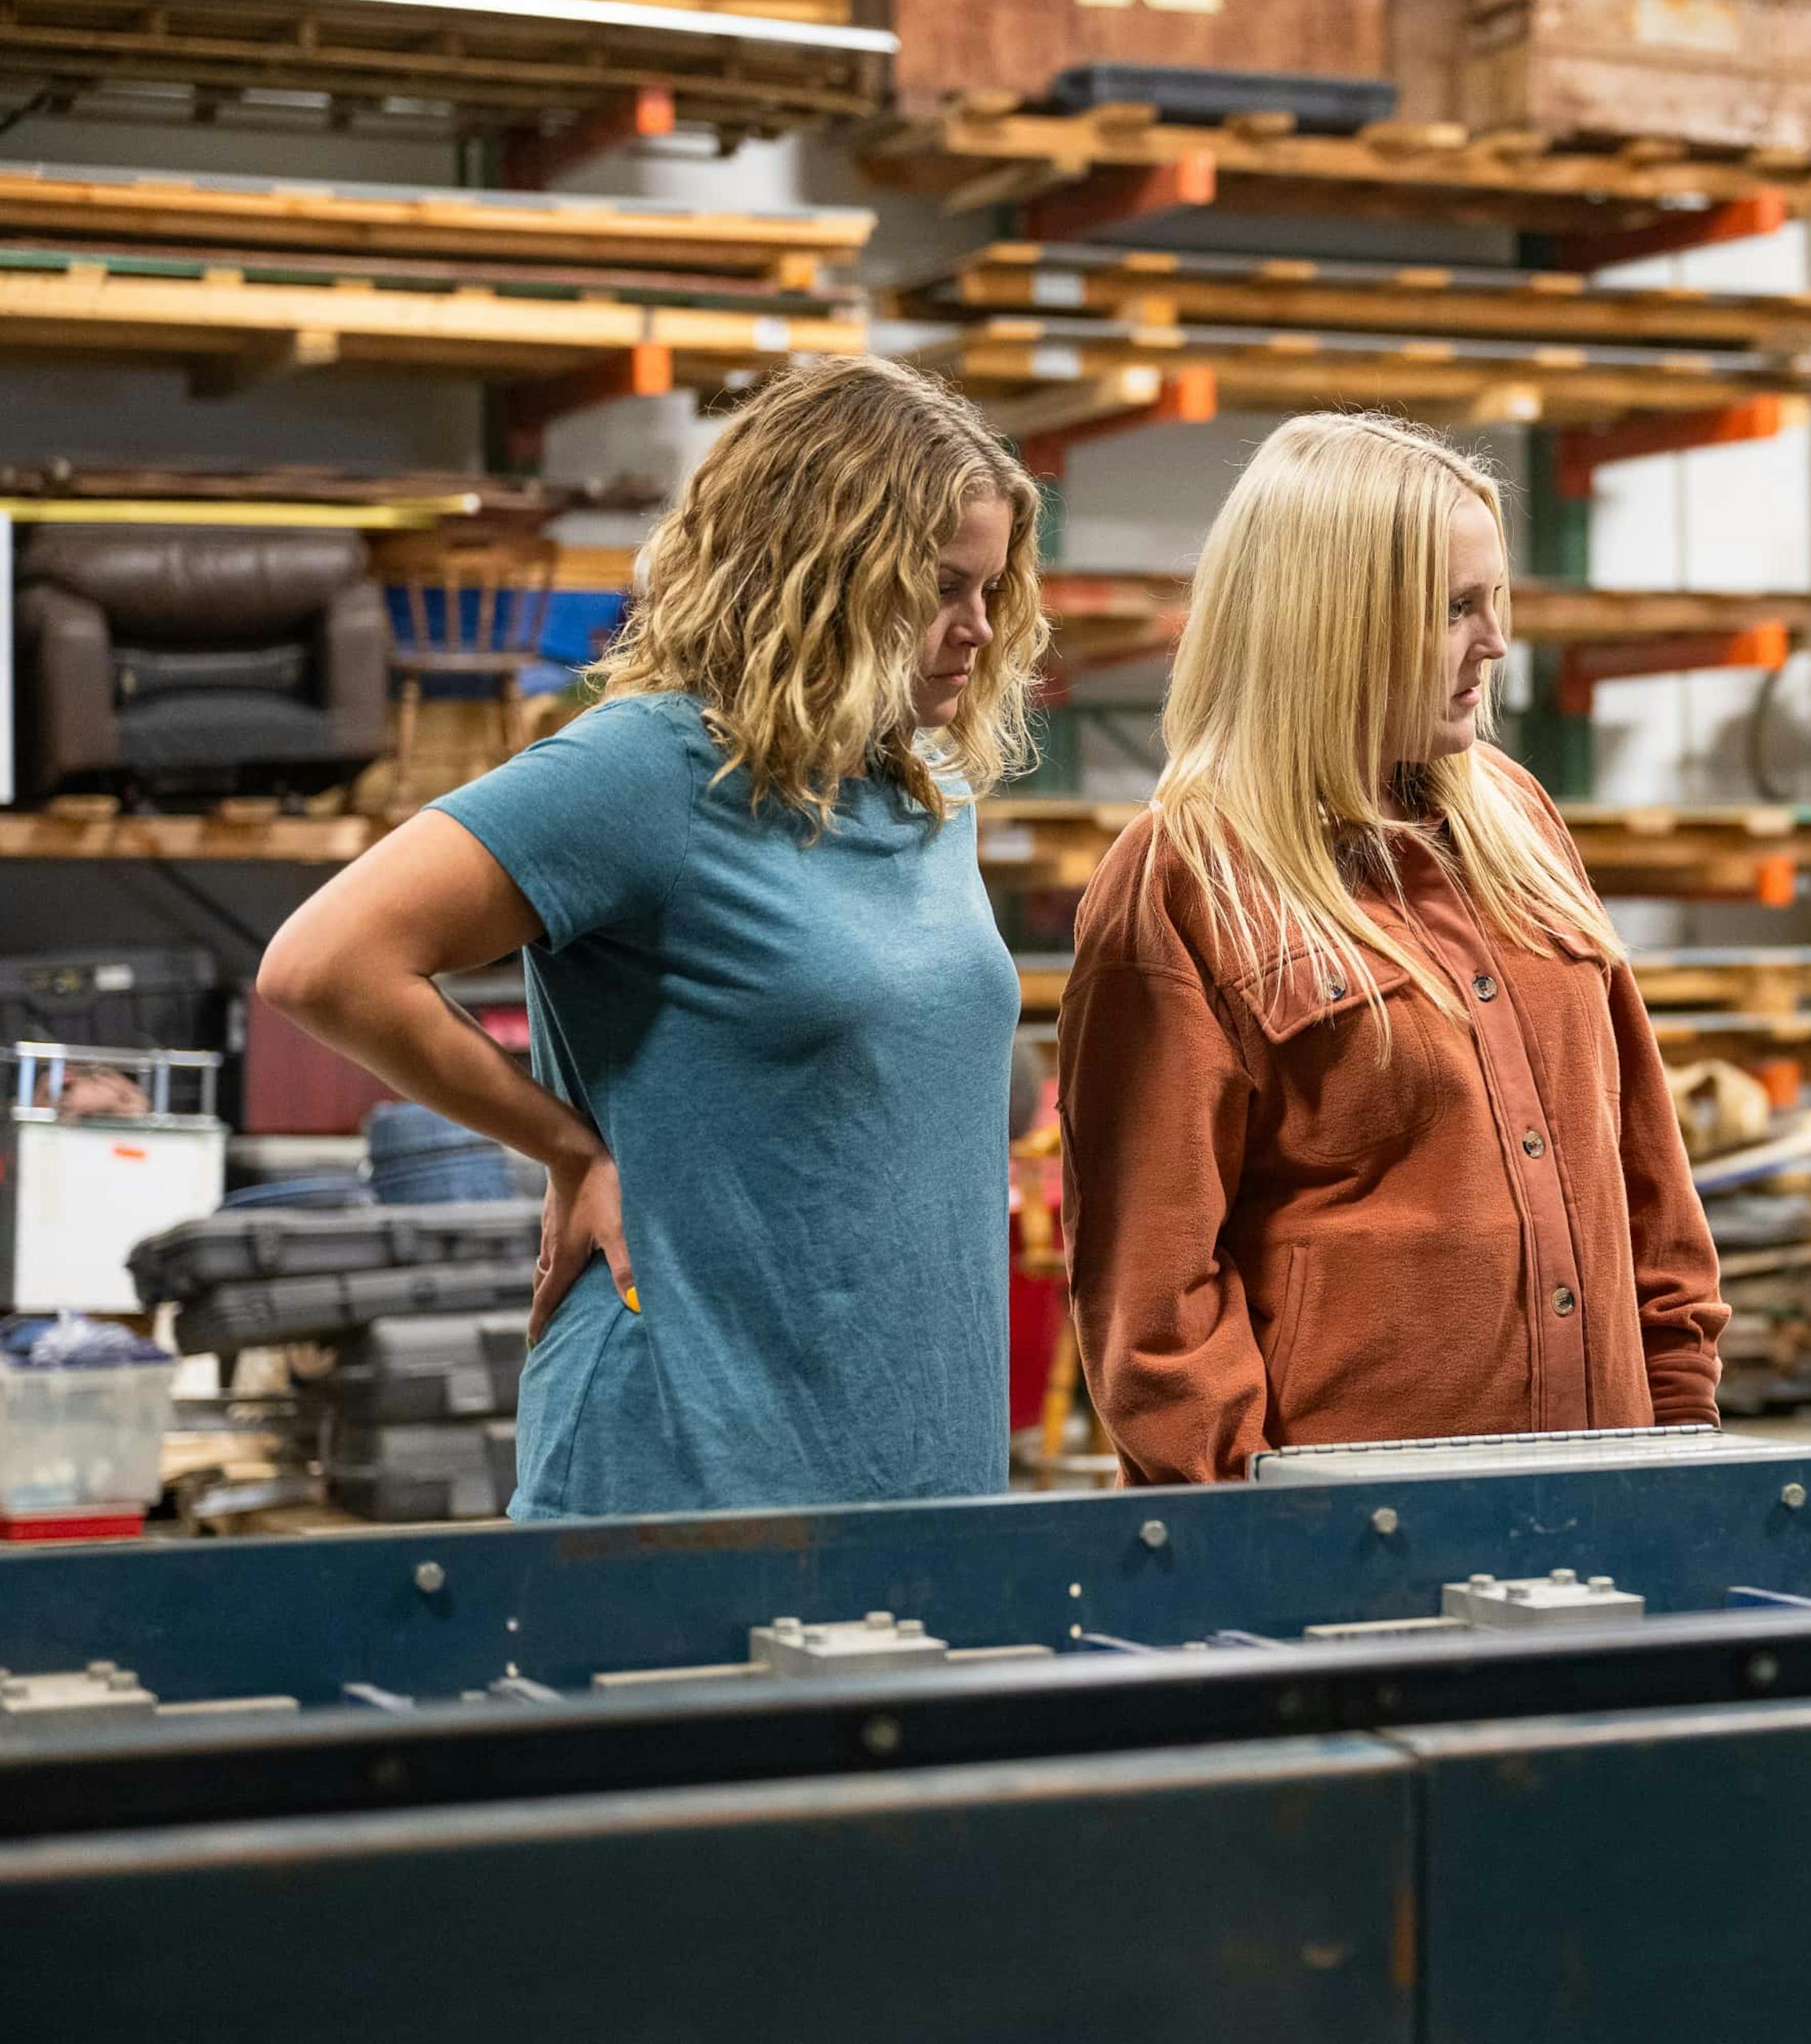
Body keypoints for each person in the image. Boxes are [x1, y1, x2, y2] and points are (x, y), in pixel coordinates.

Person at [256, 355, 1042, 1517]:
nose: (976, 630)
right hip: (687, 1466)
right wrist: (568, 1146)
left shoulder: (928, 790)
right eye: (938, 588)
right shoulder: (653, 767)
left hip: (923, 1463)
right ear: (817, 575)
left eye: (991, 589)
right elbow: (324, 963)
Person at [1059, 412, 1728, 1485]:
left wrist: (1680, 1422)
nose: (1496, 643)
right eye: (1455, 608)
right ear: (1334, 619)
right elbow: (1153, 1298)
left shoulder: (1518, 820)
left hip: (1607, 1487)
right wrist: (1260, 1527)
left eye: (1496, 601)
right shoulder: (1187, 880)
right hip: (1348, 1545)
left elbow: (1643, 1165)